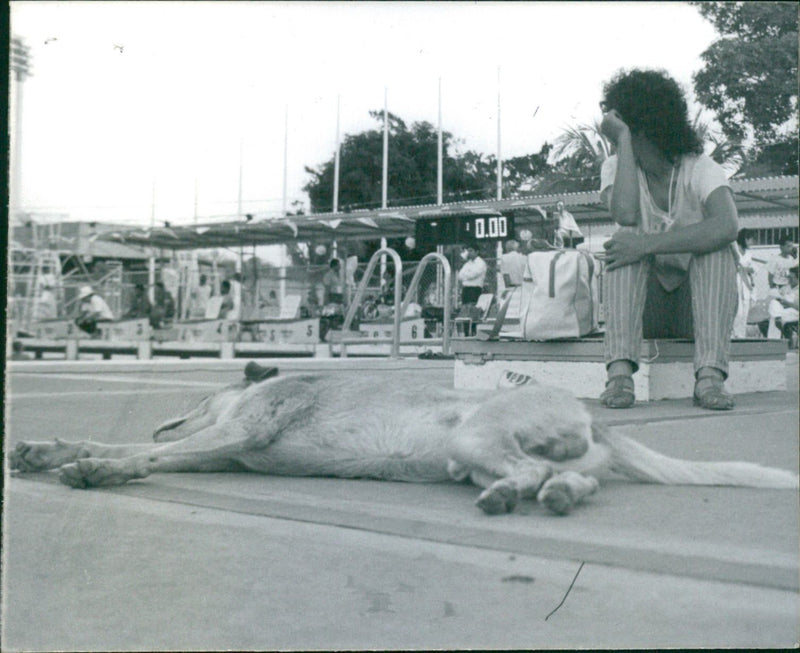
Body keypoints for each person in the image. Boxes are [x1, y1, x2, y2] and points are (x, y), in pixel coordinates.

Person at [598, 69, 739, 411]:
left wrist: (647, 244)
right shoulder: (616, 166)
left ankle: (709, 377)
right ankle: (619, 376)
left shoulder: (700, 167)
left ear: (648, 127)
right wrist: (625, 142)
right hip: (646, 310)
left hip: (697, 311)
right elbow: (626, 216)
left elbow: (727, 225)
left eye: (628, 130)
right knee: (624, 241)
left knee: (715, 247)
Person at [732, 228, 757, 338]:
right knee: (737, 312)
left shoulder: (749, 254)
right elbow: (735, 266)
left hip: (746, 285)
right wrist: (744, 269)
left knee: (745, 313)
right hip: (735, 282)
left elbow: (750, 269)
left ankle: (741, 336)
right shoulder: (735, 250)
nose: (753, 242)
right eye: (751, 239)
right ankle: (733, 336)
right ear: (745, 239)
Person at [768, 266, 798, 342]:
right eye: (788, 277)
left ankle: (773, 341)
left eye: (791, 278)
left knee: (774, 317)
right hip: (783, 311)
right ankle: (775, 341)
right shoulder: (786, 288)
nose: (789, 280)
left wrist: (788, 303)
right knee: (773, 303)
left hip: (795, 312)